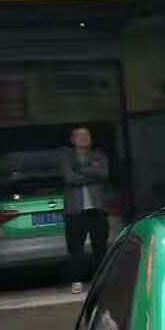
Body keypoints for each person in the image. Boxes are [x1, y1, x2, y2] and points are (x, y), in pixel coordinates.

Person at [62, 126, 112, 293]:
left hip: (97, 209)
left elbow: (103, 174)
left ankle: (101, 280)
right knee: (75, 248)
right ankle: (77, 281)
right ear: (72, 140)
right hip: (75, 211)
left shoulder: (99, 156)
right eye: (79, 135)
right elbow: (69, 178)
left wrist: (81, 171)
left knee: (100, 247)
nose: (84, 138)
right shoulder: (67, 158)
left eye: (86, 135)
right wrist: (92, 173)